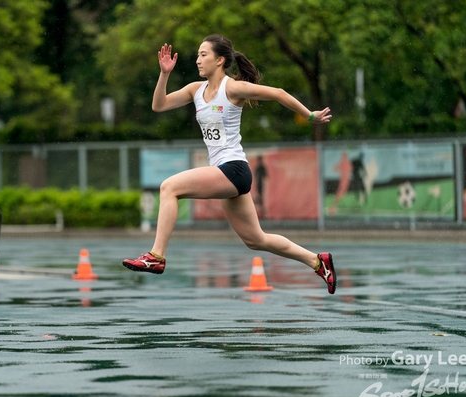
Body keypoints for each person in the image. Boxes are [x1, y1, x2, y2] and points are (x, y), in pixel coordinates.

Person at [122, 35, 337, 294]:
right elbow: (159, 105)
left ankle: (156, 256)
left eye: (203, 54)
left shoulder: (232, 88)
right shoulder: (195, 90)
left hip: (233, 168)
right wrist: (164, 74)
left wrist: (309, 114)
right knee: (256, 240)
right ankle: (317, 261)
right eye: (198, 54)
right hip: (228, 174)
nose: (198, 59)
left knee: (170, 187)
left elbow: (278, 93)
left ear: (220, 60)